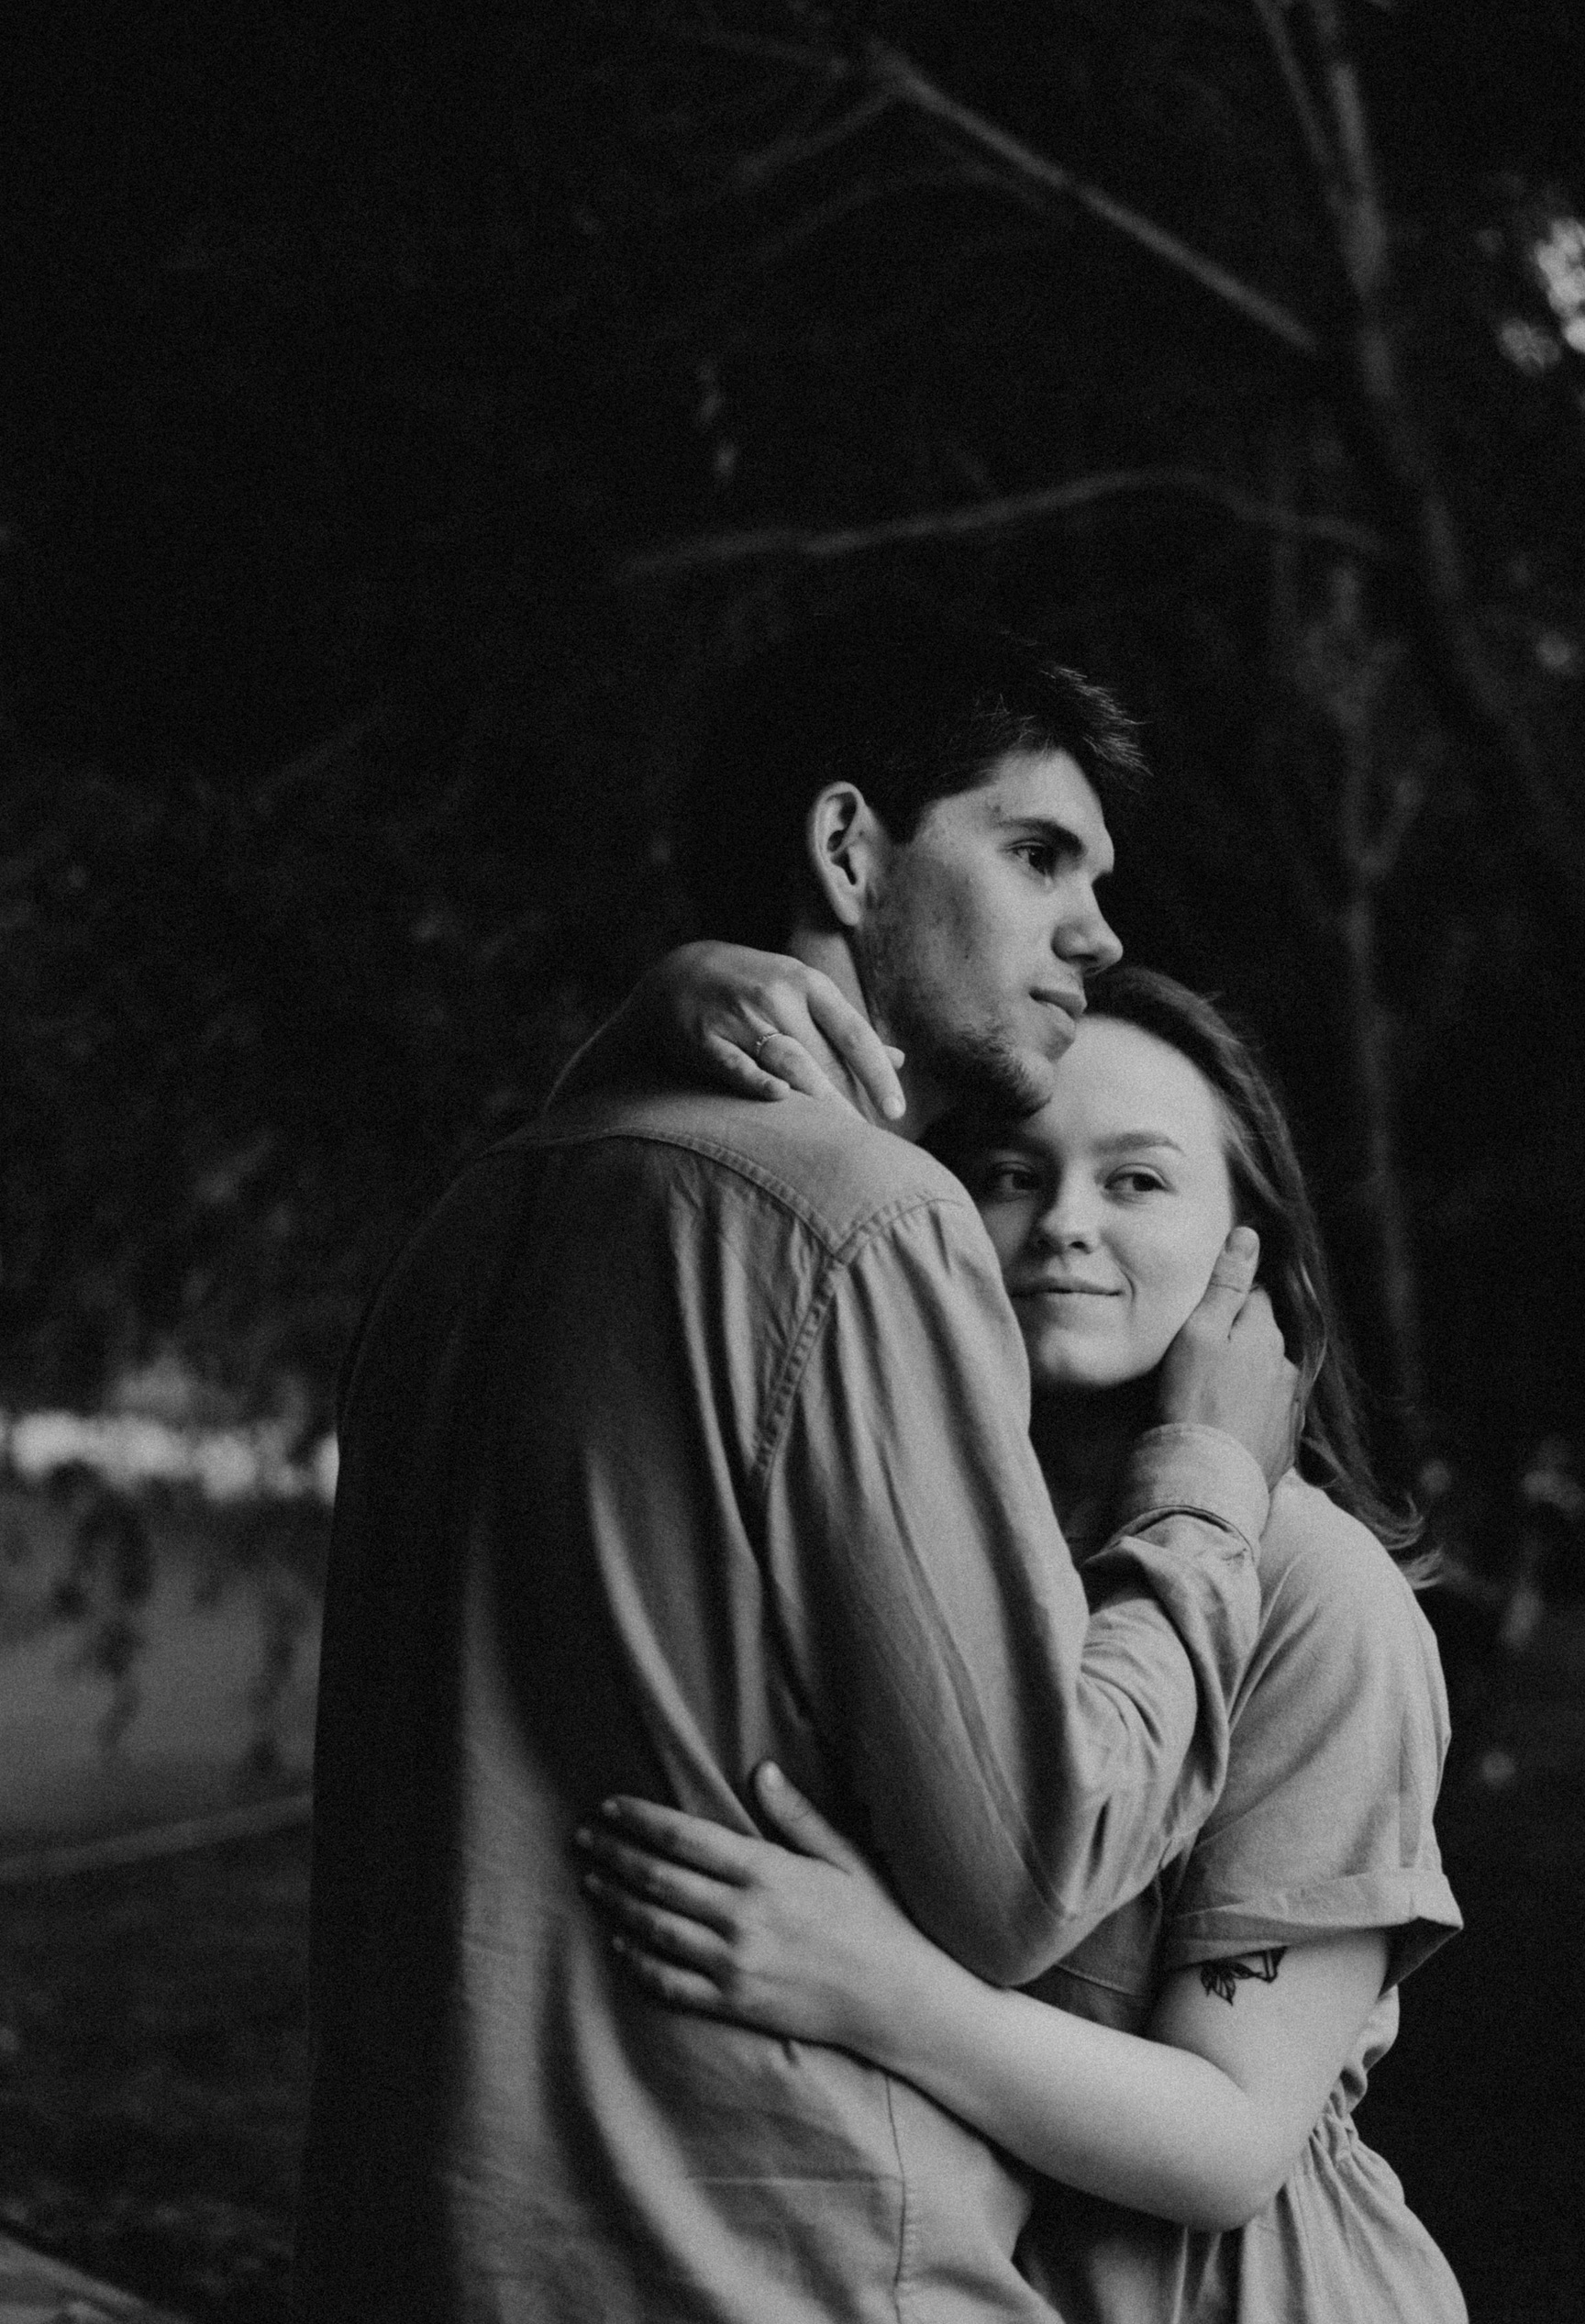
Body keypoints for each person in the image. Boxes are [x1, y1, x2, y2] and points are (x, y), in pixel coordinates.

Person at [295, 620, 1301, 2323]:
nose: (1098, 932)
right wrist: (1207, 1481)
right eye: (1038, 855)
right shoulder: (866, 1219)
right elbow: (1027, 1862)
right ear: (849, 849)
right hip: (758, 2271)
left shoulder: (472, 1220)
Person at [576, 964, 1469, 2324]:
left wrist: (877, 1986)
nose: (1062, 1224)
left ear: (1251, 1255)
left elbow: (1229, 2141)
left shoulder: (1320, 1597)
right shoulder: (914, 1542)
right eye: (1007, 1175)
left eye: (1137, 1181)